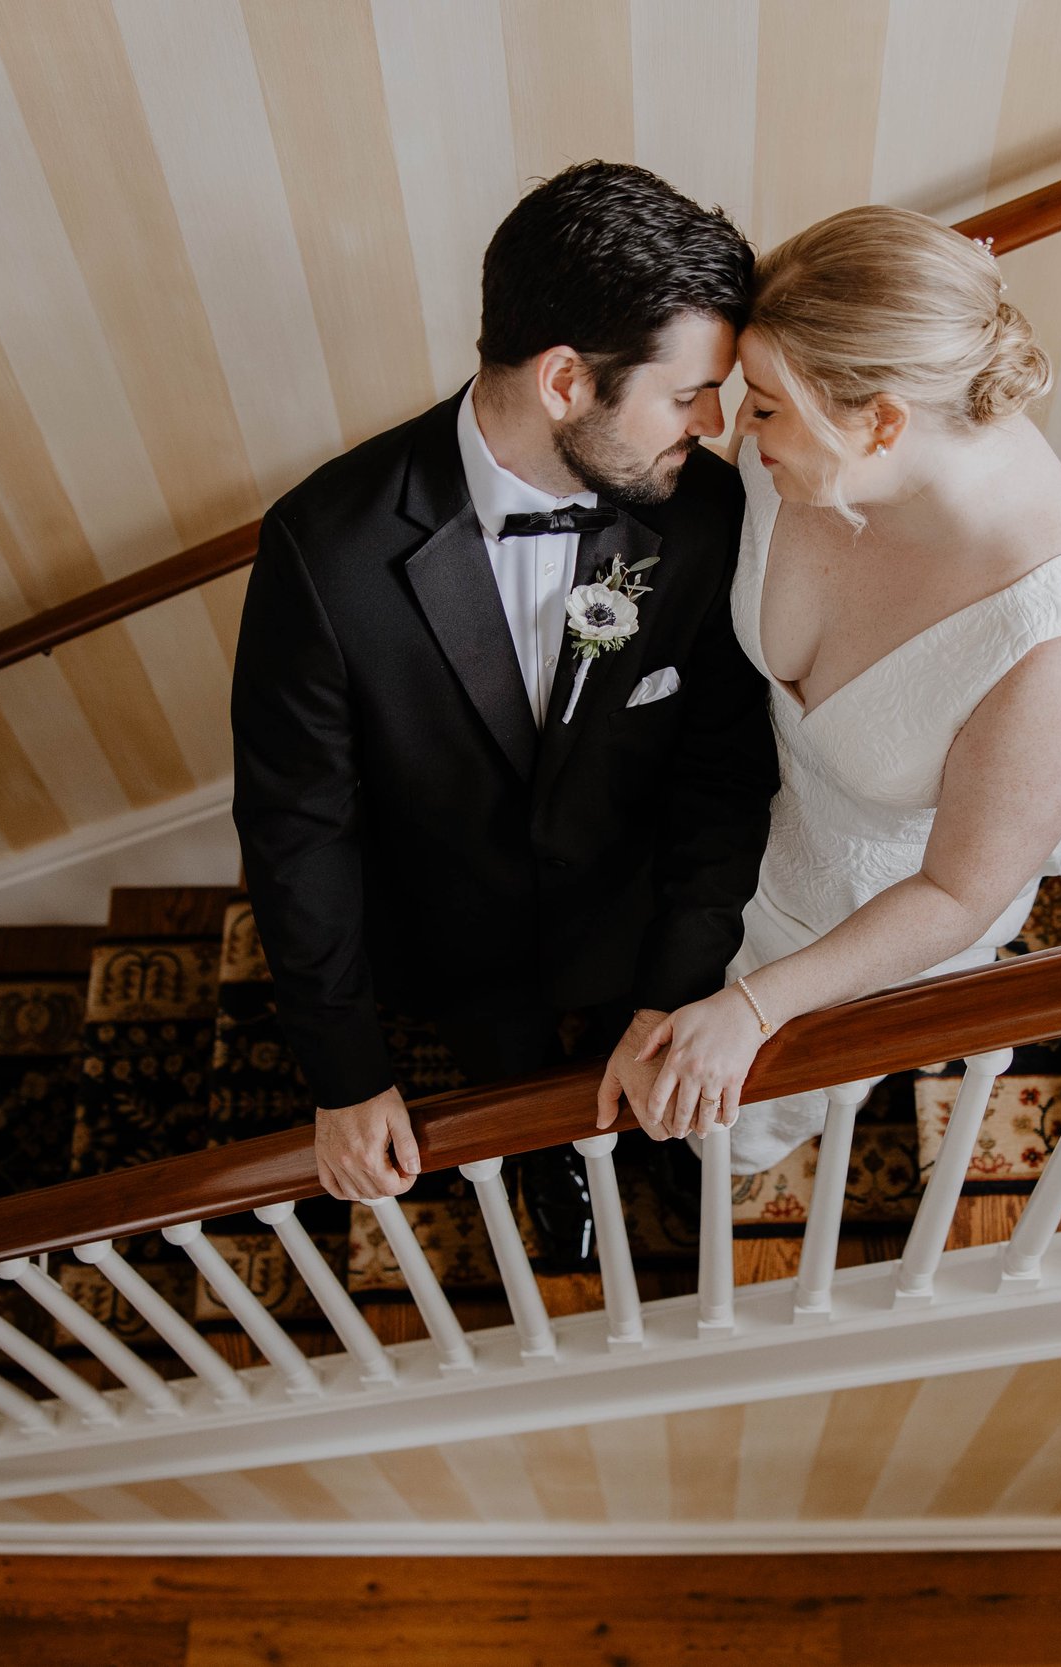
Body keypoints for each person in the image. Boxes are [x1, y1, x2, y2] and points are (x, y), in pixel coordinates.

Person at [232, 162, 777, 1259]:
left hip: (635, 915)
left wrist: (670, 990)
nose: (717, 425)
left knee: (654, 1086)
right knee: (505, 1071)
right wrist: (346, 1073)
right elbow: (299, 826)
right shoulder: (323, 548)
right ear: (566, 380)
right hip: (448, 933)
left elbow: (722, 767)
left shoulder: (704, 515)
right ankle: (542, 1162)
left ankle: (659, 1148)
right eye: (686, 394)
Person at [619, 205, 1061, 1173]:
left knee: (729, 1121)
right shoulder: (812, 451)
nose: (739, 429)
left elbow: (953, 889)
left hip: (866, 909)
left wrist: (756, 1004)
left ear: (883, 420)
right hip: (724, 824)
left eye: (766, 404)